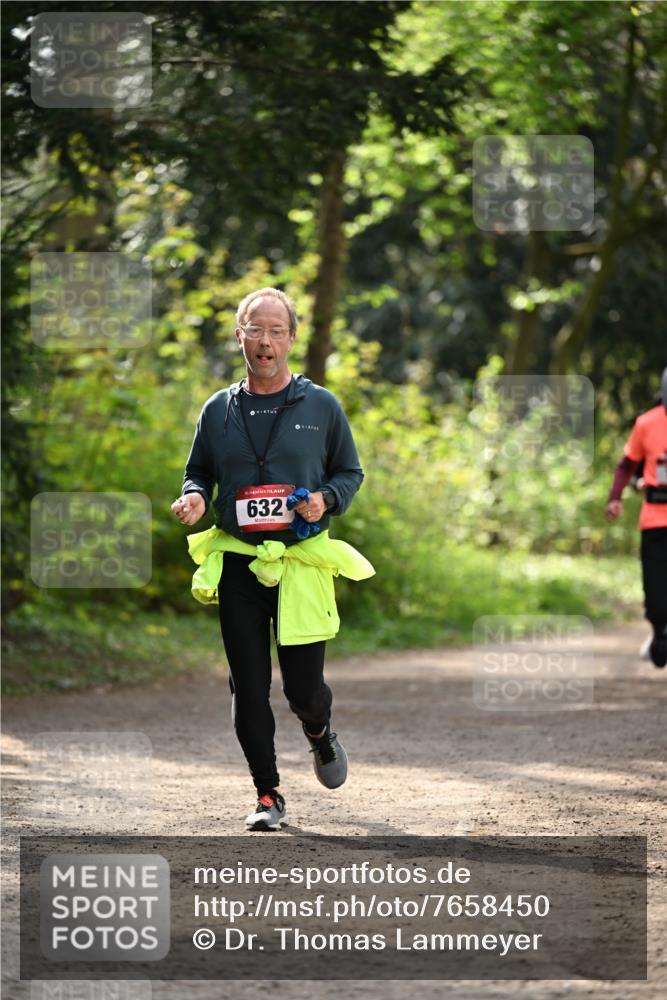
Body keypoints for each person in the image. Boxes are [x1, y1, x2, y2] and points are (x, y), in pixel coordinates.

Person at [171, 287, 373, 830]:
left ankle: (318, 731)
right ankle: (267, 793)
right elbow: (200, 473)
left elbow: (349, 473)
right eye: (255, 330)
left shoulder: (322, 406)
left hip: (300, 562)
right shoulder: (218, 410)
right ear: (239, 336)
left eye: (275, 332)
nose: (265, 342)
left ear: (291, 338)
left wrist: (325, 498)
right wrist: (193, 496)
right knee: (247, 682)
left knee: (303, 689)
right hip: (239, 561)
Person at [606, 366, 667, 668]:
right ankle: (659, 630)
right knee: (656, 596)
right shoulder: (647, 423)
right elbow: (627, 464)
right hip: (655, 520)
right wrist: (615, 497)